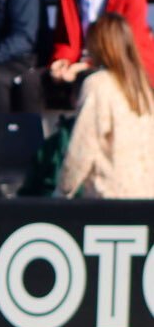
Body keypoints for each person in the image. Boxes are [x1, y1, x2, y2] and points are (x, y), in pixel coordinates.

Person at [57, 13, 154, 199]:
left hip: (110, 204)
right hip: (147, 202)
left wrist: (62, 192)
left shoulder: (99, 85)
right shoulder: (144, 91)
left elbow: (82, 148)